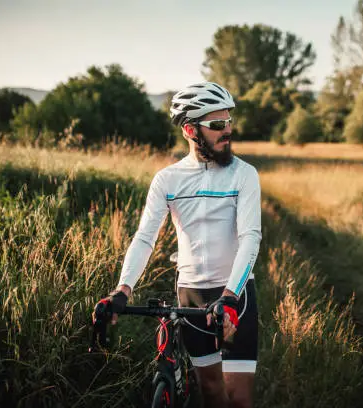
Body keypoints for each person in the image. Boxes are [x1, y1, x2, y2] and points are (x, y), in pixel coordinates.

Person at [95, 81, 261, 408]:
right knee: (212, 392)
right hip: (192, 293)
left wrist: (229, 296)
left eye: (229, 121)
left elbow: (250, 237)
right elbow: (145, 237)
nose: (227, 130)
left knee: (238, 399)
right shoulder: (167, 180)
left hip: (234, 296)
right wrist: (122, 290)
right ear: (189, 129)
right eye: (217, 124)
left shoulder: (244, 174)